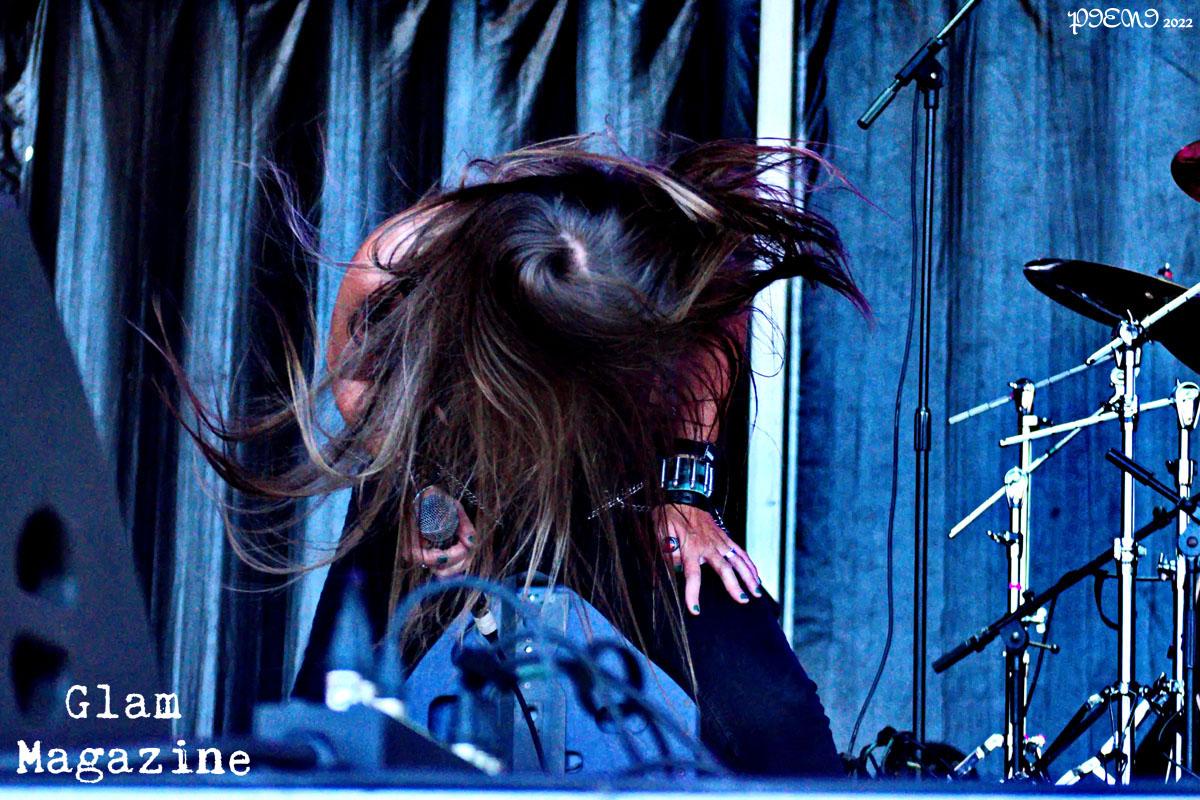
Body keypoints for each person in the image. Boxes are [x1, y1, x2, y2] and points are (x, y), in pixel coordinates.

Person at [178, 138, 868, 776]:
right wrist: (424, 490)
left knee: (778, 727)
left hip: (615, 483)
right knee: (336, 729)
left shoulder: (662, 245)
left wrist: (684, 490)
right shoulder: (401, 262)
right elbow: (359, 387)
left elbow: (716, 325)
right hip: (450, 475)